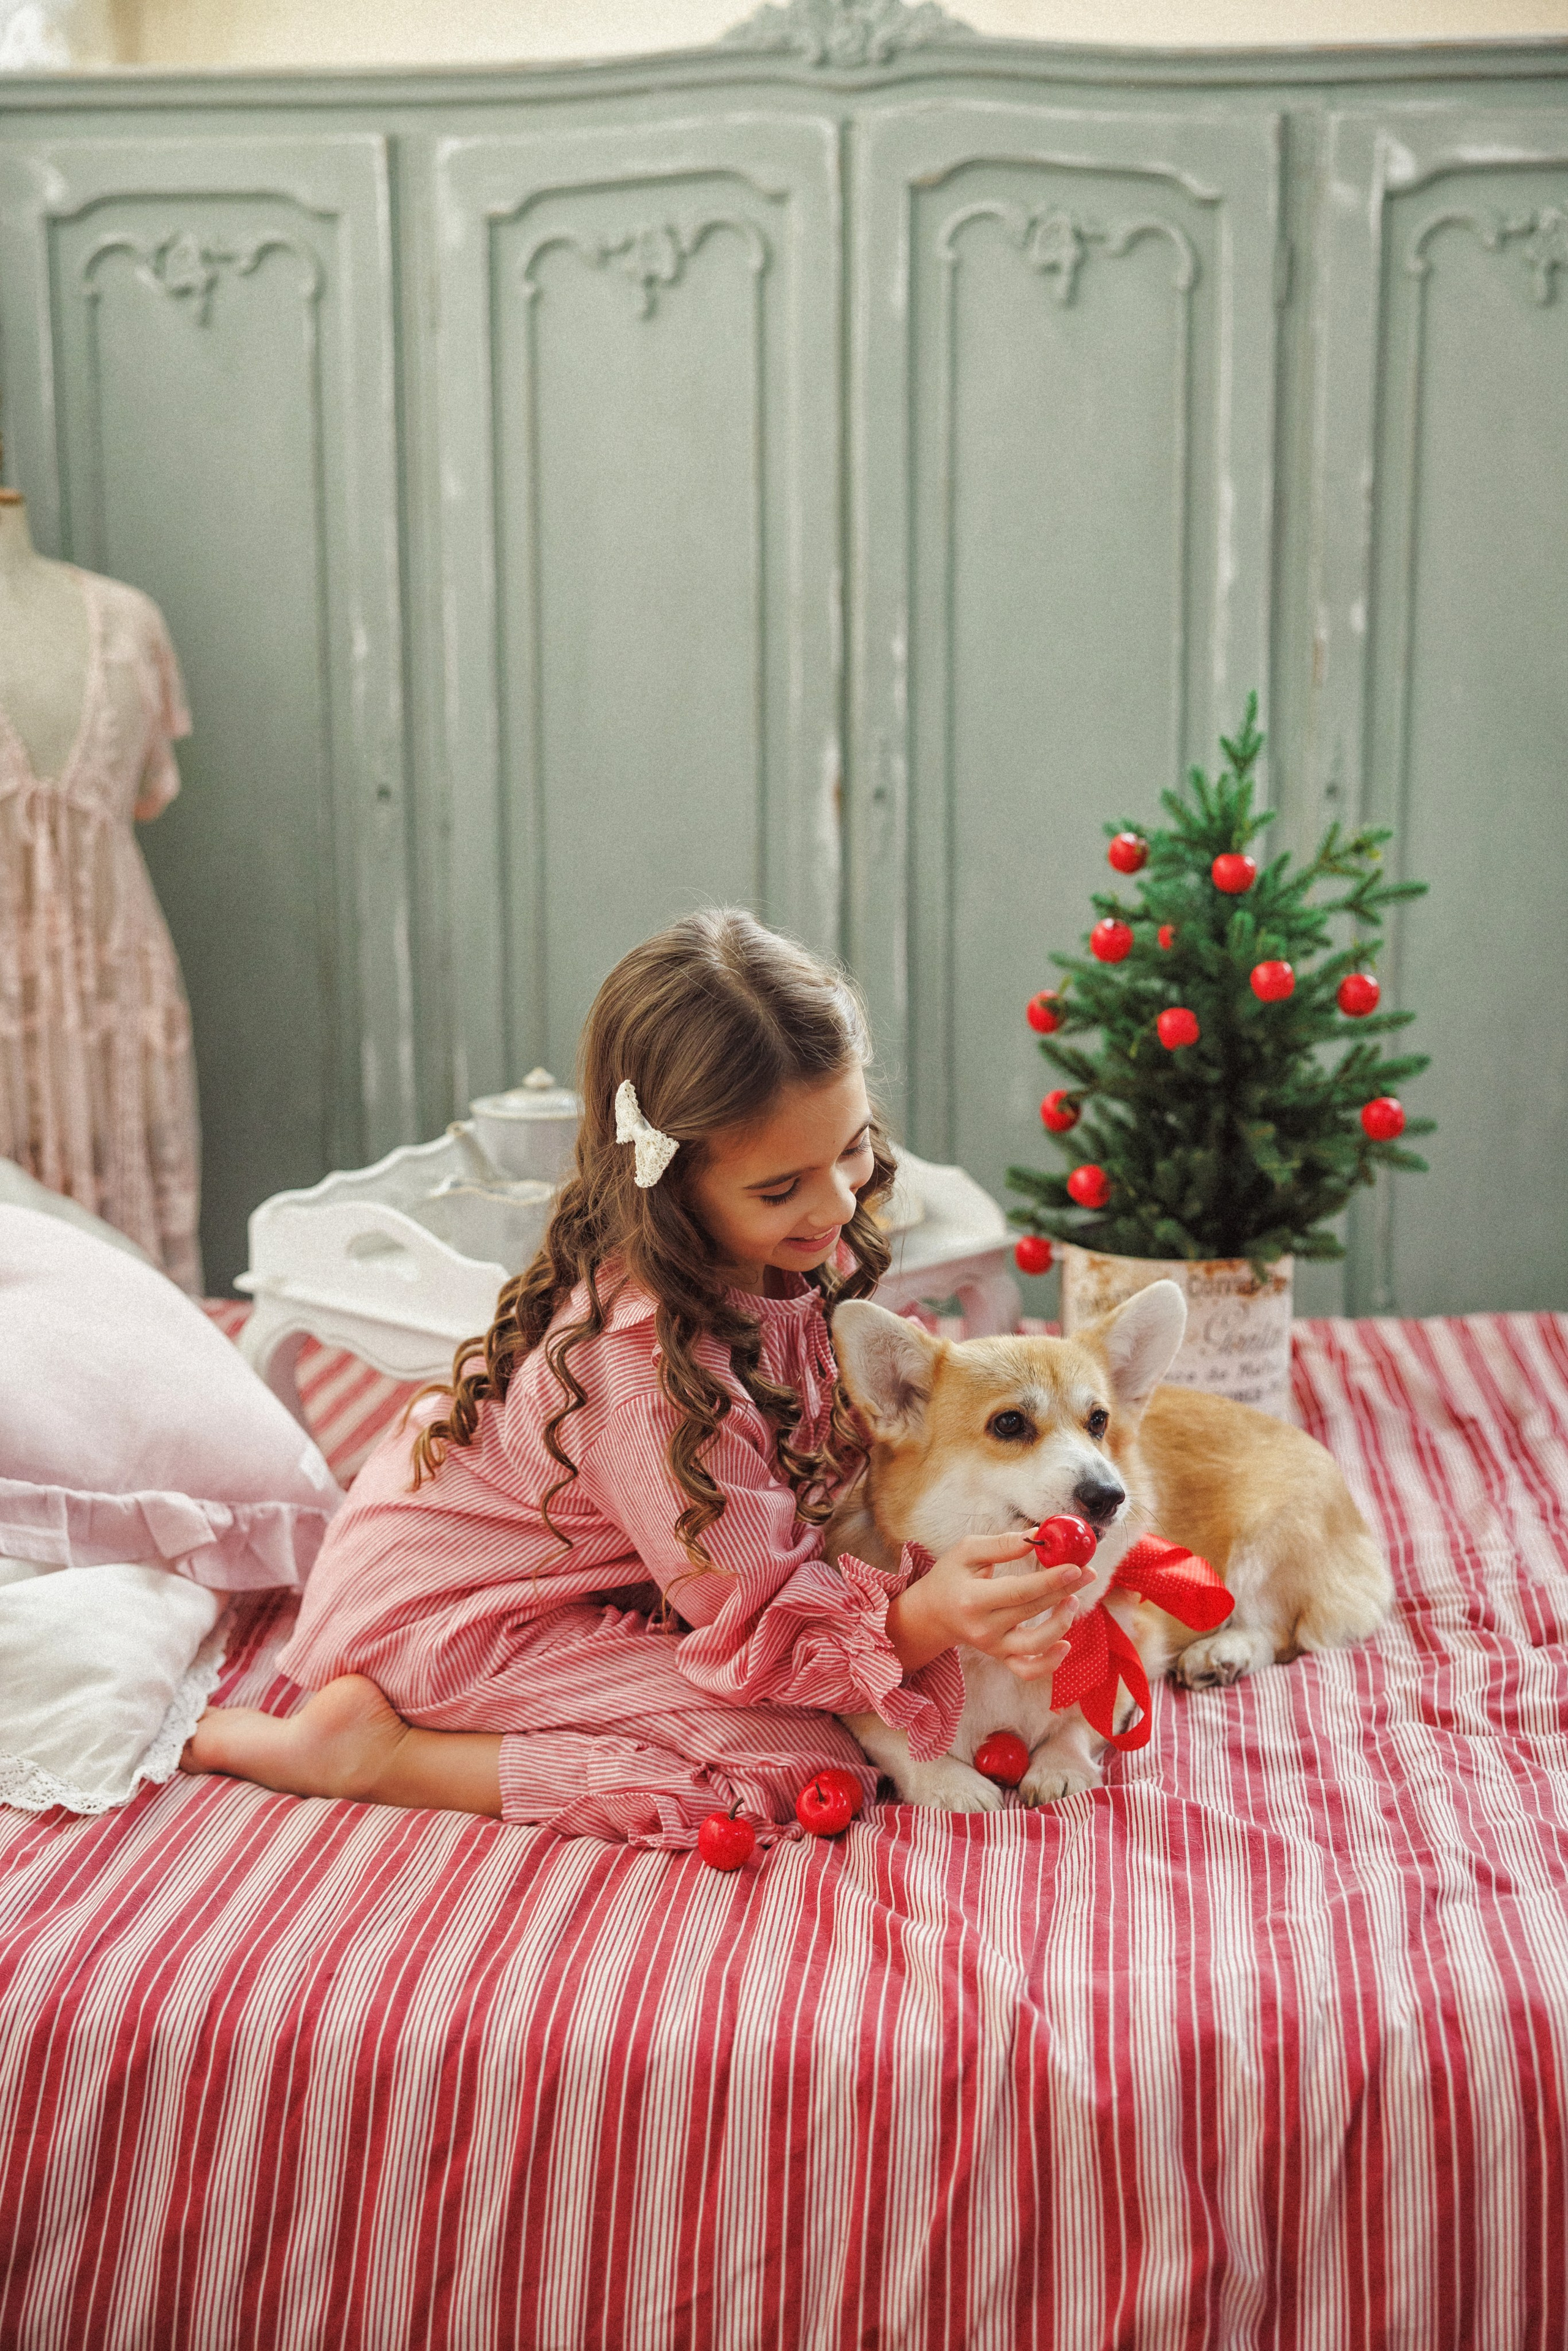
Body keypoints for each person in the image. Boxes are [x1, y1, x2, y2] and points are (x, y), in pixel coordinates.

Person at [184, 911, 1090, 1846]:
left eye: (852, 1148)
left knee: (854, 1691)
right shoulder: (649, 1372)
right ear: (674, 1183)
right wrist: (921, 1619)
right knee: (800, 1758)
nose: (836, 1201)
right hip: (451, 1617)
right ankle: (371, 1753)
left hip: (613, 1577)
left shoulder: (780, 1251)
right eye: (781, 1187)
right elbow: (760, 1617)